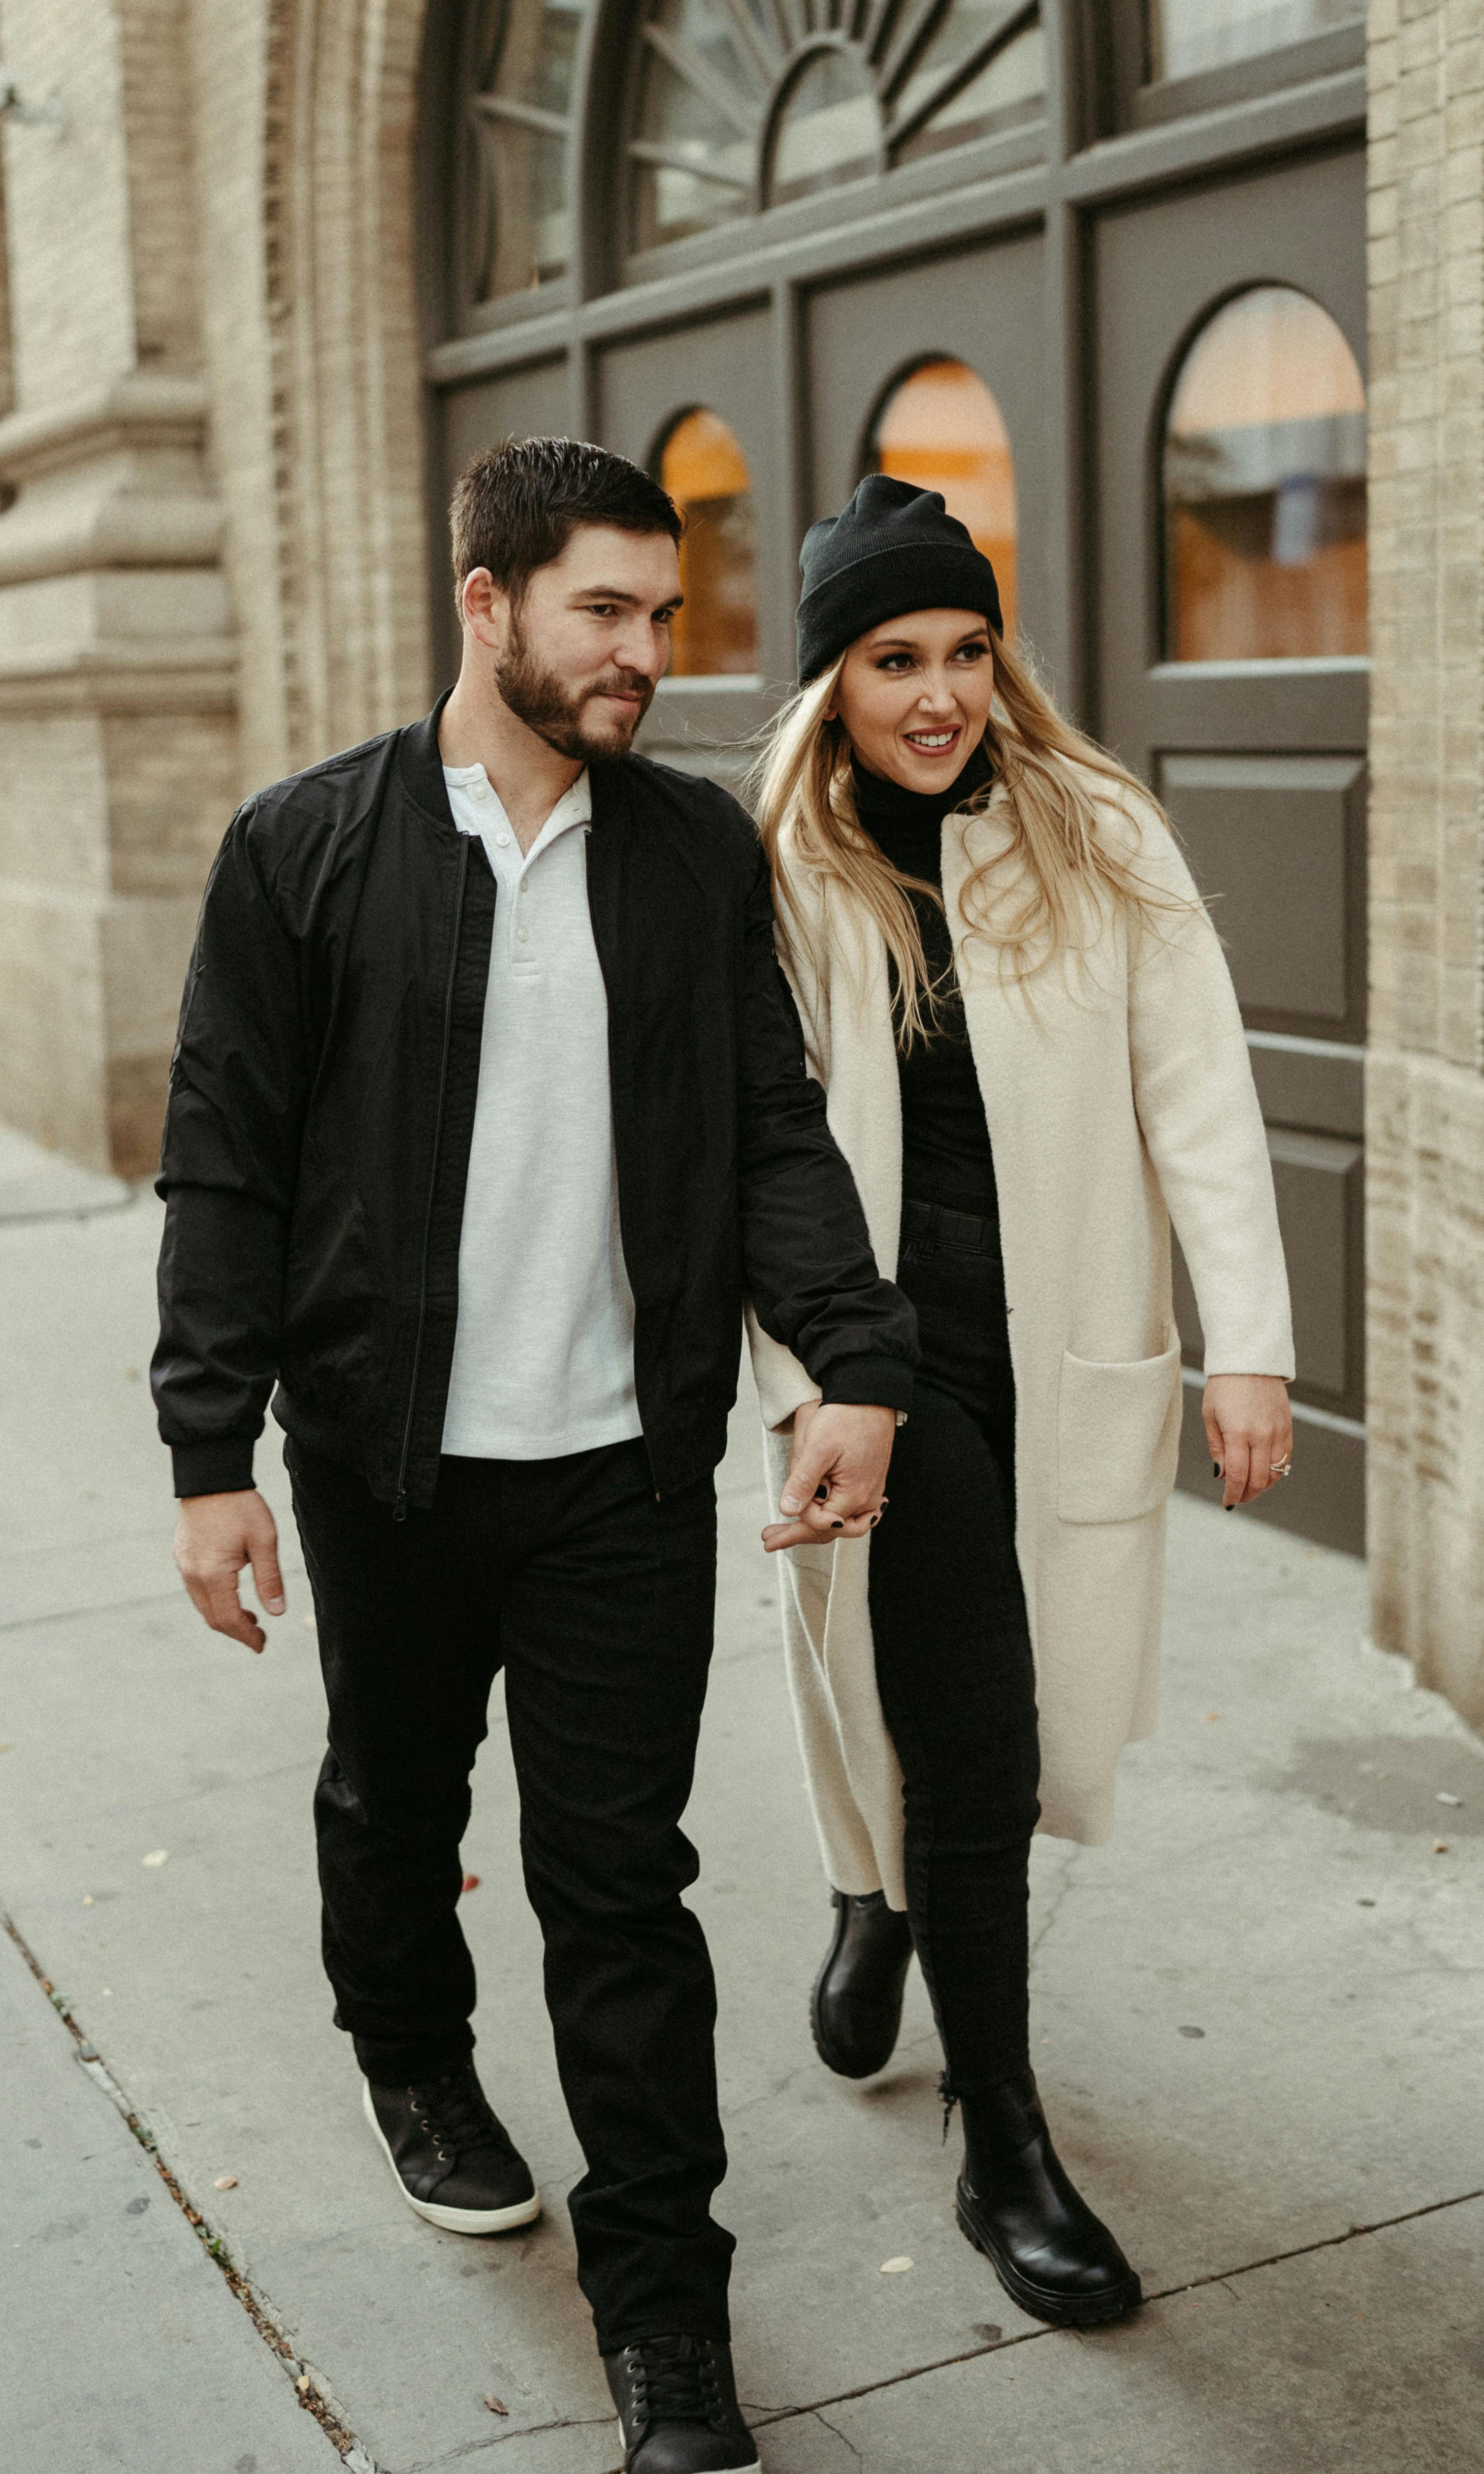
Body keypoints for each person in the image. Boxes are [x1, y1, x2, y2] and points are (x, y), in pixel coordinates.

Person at [151, 438, 918, 2474]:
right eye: (603, 609)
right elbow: (223, 1157)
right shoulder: (303, 848)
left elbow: (769, 1126)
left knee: (620, 1895)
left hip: (617, 1476)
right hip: (387, 1465)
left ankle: (666, 2328)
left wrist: (849, 1354)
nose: (642, 653)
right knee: (394, 1812)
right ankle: (412, 2060)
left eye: (659, 615)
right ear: (483, 605)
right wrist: (204, 1449)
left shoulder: (684, 854)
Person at [748, 475, 1294, 2331]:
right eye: (894, 656)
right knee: (965, 1732)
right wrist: (801, 1373)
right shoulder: (784, 865)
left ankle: (888, 1904)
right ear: (832, 673)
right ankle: (1002, 2142)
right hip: (872, 1375)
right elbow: (737, 1152)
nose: (939, 693)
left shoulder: (1098, 832)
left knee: (1004, 1721)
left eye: (967, 650)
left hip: (1055, 1347)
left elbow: (1199, 1096)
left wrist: (1251, 1342)